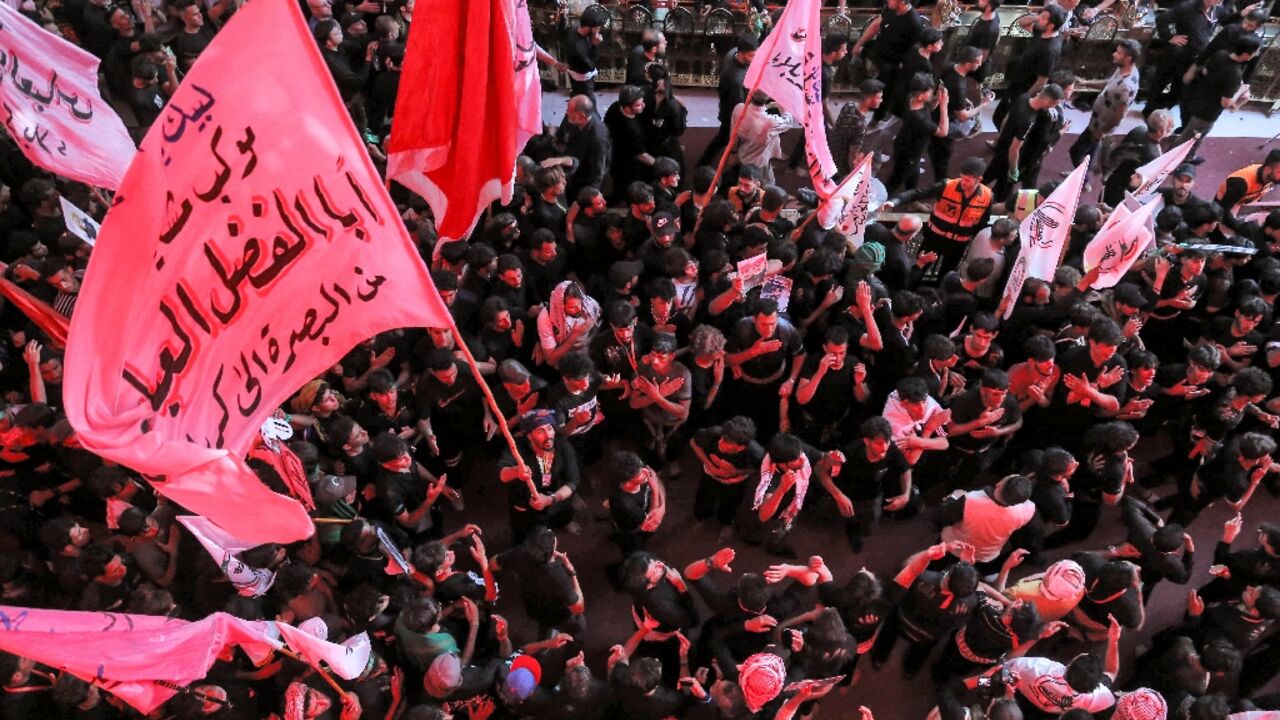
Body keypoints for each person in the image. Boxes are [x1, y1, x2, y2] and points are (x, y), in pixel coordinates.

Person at [886, 157, 994, 284]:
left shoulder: (988, 197)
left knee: (946, 274)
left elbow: (982, 222)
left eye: (967, 180)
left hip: (958, 245)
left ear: (979, 179)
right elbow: (918, 193)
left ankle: (939, 295)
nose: (962, 182)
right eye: (962, 177)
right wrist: (895, 201)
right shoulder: (947, 186)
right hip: (934, 239)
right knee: (920, 267)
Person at [1069, 40, 1141, 167]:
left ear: (1128, 58)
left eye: (1118, 53)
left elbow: (1119, 115)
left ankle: (1083, 181)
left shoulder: (1126, 86)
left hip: (1101, 125)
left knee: (1075, 151)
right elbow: (1109, 83)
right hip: (1097, 120)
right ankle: (1085, 175)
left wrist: (1102, 131)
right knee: (1090, 152)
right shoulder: (1123, 70)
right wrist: (1086, 83)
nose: (1114, 54)